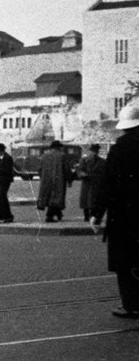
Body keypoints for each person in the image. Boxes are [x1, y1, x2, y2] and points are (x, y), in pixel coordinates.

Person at [90, 104, 139, 318]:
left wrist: (97, 213)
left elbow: (107, 184)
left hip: (124, 216)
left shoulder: (119, 149)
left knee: (125, 262)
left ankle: (131, 304)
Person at [37, 140, 73, 222]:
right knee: (56, 197)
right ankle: (49, 216)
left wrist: (43, 177)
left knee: (49, 196)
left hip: (46, 181)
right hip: (59, 181)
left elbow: (39, 169)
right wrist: (69, 180)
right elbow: (67, 169)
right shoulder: (62, 156)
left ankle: (58, 213)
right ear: (59, 147)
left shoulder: (44, 156)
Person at [77, 144, 105, 221]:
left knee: (95, 200)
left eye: (96, 151)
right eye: (93, 151)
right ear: (90, 151)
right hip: (87, 182)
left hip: (97, 183)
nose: (95, 153)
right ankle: (86, 215)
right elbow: (79, 170)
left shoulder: (102, 161)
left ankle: (94, 215)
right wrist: (83, 174)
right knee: (86, 200)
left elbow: (104, 172)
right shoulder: (84, 160)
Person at [0, 143, 15, 223]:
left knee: (1, 197)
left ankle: (5, 216)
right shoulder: (2, 158)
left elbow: (7, 170)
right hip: (0, 180)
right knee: (2, 197)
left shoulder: (8, 158)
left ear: (0, 150)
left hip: (5, 180)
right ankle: (6, 216)